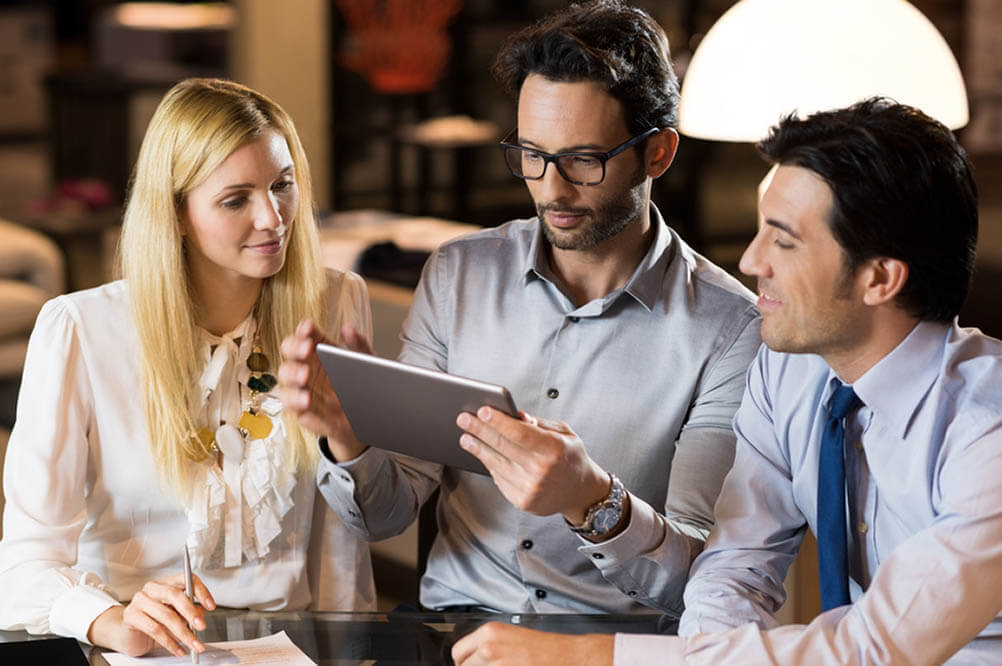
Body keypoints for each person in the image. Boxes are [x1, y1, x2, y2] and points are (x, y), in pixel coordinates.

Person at [450, 97, 1002, 665]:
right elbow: (735, 568)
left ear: (879, 278)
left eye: (783, 241)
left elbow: (874, 649)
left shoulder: (990, 432)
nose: (750, 259)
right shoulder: (790, 369)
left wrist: (590, 657)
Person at [280, 0, 760, 616]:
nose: (551, 189)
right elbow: (385, 516)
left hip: (607, 652)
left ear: (658, 153)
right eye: (532, 154)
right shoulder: (458, 276)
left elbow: (702, 584)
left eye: (584, 159)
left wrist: (593, 501)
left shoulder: (730, 330)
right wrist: (349, 440)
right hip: (453, 635)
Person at [0, 78, 376, 658]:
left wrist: (352, 650)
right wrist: (110, 620)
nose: (273, 218)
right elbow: (23, 566)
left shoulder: (336, 302)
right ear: (174, 213)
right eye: (236, 199)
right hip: (142, 652)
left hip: (293, 648)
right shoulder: (78, 329)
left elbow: (341, 541)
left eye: (283, 186)